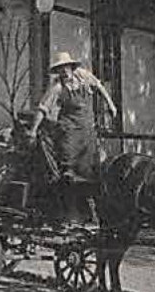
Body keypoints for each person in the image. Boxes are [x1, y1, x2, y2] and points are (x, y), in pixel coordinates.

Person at [28, 51, 118, 223]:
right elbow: (43, 108)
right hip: (68, 127)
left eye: (66, 68)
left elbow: (100, 87)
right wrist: (33, 131)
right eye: (60, 69)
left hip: (86, 126)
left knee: (93, 162)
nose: (64, 72)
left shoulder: (84, 76)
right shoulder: (57, 87)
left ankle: (93, 204)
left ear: (71, 66)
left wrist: (111, 106)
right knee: (68, 160)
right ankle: (69, 199)